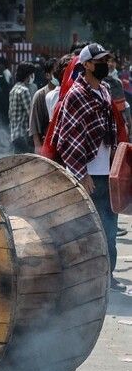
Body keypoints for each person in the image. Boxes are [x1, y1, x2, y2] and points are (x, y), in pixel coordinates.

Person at [51, 43, 126, 292]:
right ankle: (87, 281)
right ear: (87, 65)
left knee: (110, 228)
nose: (105, 64)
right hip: (89, 175)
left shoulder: (104, 91)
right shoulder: (76, 95)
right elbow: (68, 139)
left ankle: (107, 276)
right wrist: (81, 173)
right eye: (100, 60)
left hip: (106, 172)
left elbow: (111, 129)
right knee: (89, 230)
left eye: (106, 59)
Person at [31, 58, 66, 150]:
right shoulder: (40, 95)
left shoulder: (65, 92)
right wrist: (38, 146)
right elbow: (34, 124)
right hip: (46, 142)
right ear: (47, 75)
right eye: (55, 73)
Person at [9, 62, 37, 154]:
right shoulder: (24, 91)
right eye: (32, 74)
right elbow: (31, 114)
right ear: (28, 75)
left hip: (15, 134)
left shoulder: (14, 89)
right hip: (23, 135)